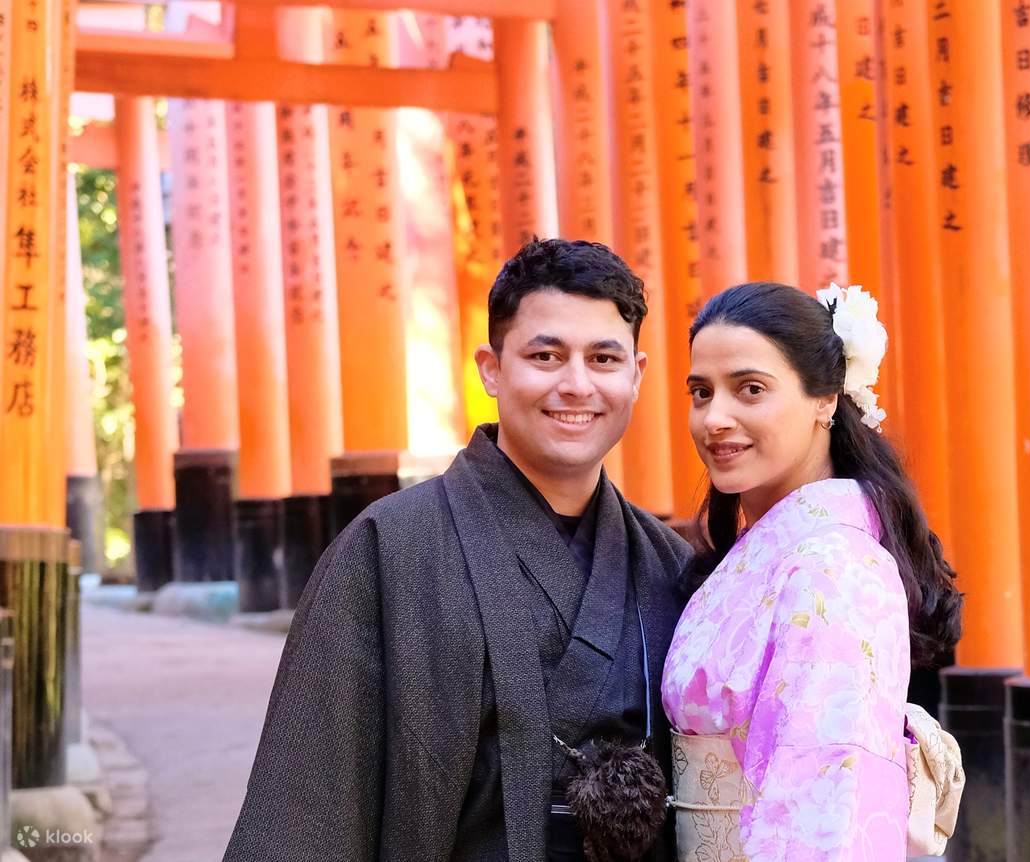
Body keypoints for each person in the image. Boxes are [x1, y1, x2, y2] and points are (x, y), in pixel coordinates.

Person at [224, 239, 690, 862]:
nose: (577, 384)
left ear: (636, 374)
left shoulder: (667, 564)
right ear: (492, 368)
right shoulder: (388, 550)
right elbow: (311, 798)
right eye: (545, 355)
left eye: (603, 358)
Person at [661, 282, 963, 860]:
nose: (714, 418)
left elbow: (821, 800)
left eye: (750, 389)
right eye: (701, 392)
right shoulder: (775, 551)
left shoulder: (833, 569)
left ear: (825, 400)